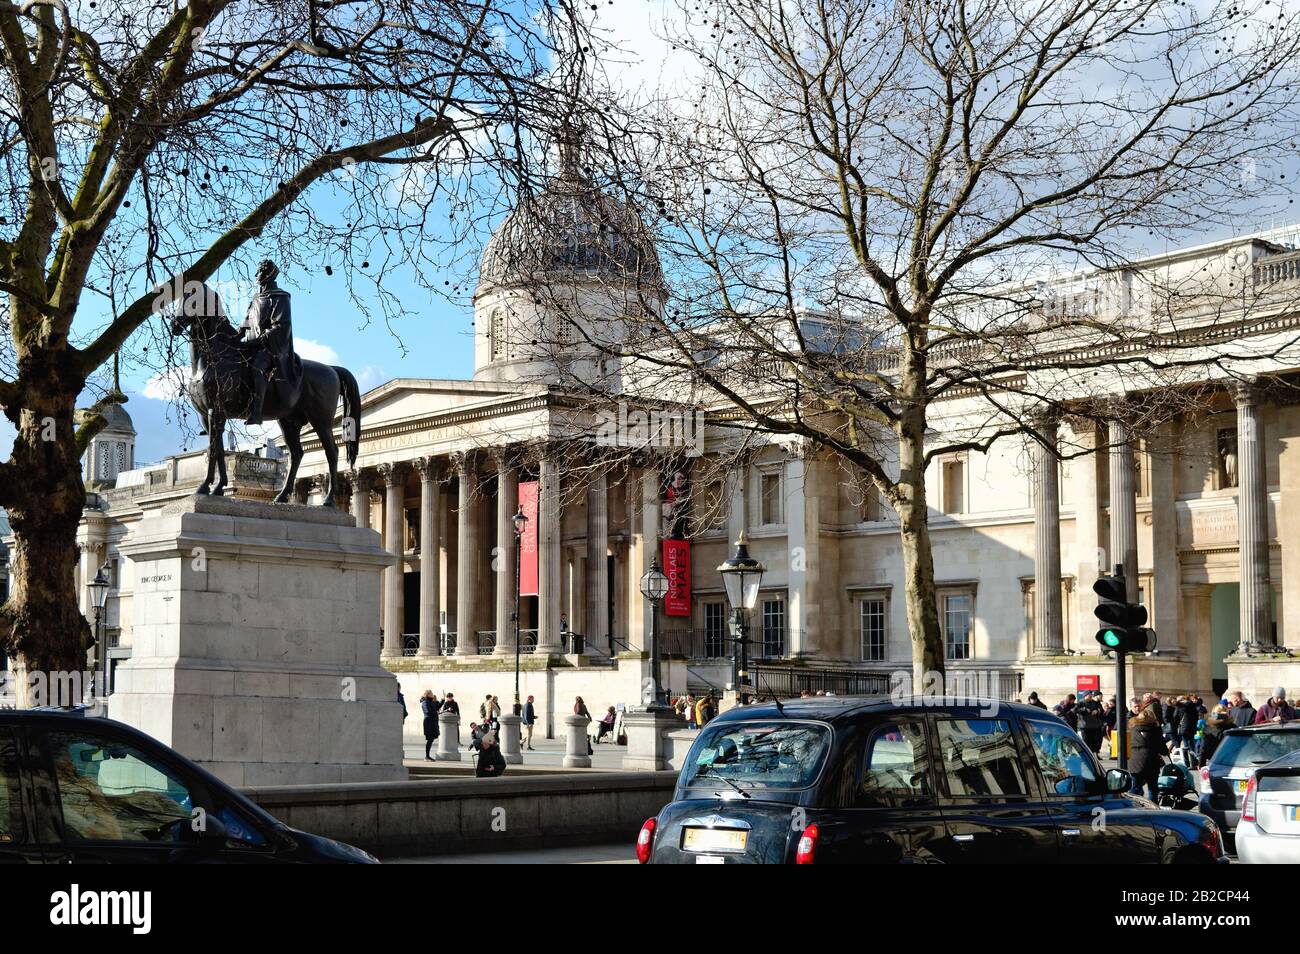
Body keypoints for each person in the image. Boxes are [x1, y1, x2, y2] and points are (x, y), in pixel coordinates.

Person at [237, 259, 300, 426]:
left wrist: (259, 341)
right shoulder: (256, 298)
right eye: (257, 272)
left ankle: (256, 412)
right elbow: (246, 323)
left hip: (269, 349)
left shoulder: (280, 297)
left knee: (257, 368)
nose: (257, 275)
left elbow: (281, 326)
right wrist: (234, 337)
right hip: (250, 347)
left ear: (269, 275)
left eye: (261, 272)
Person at [1128, 697, 1167, 800]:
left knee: (1135, 787)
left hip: (1135, 761)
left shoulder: (1132, 728)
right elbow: (1163, 748)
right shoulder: (1155, 729)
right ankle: (1153, 809)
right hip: (1152, 761)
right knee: (1153, 788)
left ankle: (1132, 806)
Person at [1076, 692, 1105, 757]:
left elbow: (1101, 710)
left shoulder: (1095, 702)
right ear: (1085, 696)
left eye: (1091, 695)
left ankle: (1094, 755)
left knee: (1094, 742)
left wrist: (1097, 711)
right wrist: (1085, 709)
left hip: (1094, 726)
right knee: (1086, 741)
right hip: (1085, 726)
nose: (1091, 696)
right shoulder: (1081, 703)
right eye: (1089, 695)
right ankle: (1086, 755)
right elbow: (1075, 710)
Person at [420, 690, 440, 761]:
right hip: (429, 723)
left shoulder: (430, 701)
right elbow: (428, 711)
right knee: (430, 739)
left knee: (431, 739)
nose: (432, 694)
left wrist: (442, 700)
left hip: (432, 722)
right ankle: (427, 756)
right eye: (431, 693)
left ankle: (427, 756)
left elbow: (436, 707)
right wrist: (435, 714)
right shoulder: (425, 702)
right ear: (428, 694)